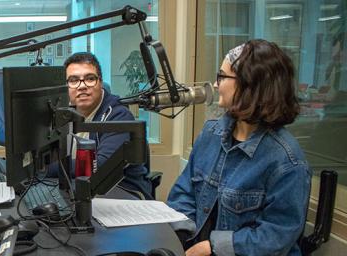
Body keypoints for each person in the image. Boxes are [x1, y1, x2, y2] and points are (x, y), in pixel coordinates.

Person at [167, 39, 312, 256]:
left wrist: (211, 247)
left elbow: (276, 237)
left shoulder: (287, 161)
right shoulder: (210, 133)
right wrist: (184, 237)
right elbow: (183, 194)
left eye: (222, 77)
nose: (215, 85)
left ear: (249, 85)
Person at [64, 52, 152, 200]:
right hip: (82, 188)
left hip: (123, 193)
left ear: (100, 82)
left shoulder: (119, 116)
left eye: (90, 79)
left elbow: (99, 166)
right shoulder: (64, 114)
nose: (82, 86)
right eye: (73, 80)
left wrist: (43, 169)